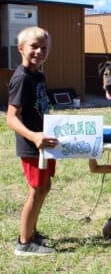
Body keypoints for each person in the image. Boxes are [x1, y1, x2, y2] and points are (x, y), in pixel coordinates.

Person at [6, 26, 58, 256]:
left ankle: (32, 231)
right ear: (20, 49)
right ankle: (25, 242)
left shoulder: (38, 74)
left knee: (45, 187)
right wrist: (34, 136)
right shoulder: (22, 78)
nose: (39, 51)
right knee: (36, 190)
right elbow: (11, 118)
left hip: (45, 144)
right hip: (32, 146)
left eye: (44, 48)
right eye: (34, 46)